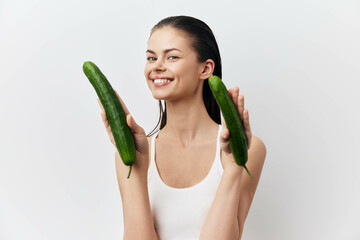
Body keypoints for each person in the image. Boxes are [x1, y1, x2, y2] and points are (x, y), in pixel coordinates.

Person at [97, 15, 266, 240]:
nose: (157, 66)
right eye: (151, 57)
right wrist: (137, 171)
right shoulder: (133, 154)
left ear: (205, 69)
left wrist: (235, 167)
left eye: (172, 57)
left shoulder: (247, 149)